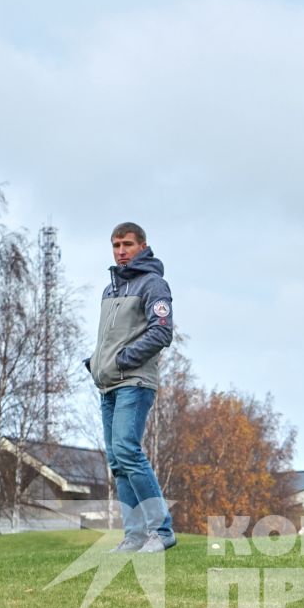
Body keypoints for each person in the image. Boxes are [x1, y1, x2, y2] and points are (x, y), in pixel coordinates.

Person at [85, 222, 177, 552]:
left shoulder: (154, 284)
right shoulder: (109, 290)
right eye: (115, 245)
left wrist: (123, 359)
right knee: (117, 462)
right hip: (108, 384)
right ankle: (134, 536)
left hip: (135, 382)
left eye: (127, 244)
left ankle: (162, 531)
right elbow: (110, 338)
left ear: (143, 246)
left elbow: (161, 332)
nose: (121, 250)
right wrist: (95, 362)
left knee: (127, 449)